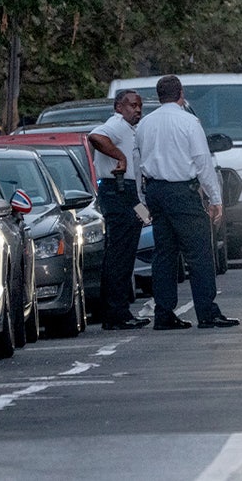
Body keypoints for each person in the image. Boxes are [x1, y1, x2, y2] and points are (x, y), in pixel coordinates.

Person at [135, 75, 239, 330]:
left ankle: (164, 312)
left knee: (164, 255)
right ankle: (206, 311)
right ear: (180, 94)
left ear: (159, 96)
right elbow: (202, 162)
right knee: (199, 253)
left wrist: (142, 198)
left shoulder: (145, 124)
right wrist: (215, 199)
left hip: (156, 191)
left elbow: (138, 161)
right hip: (183, 191)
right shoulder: (189, 121)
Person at [88, 90, 150, 330]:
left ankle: (119, 311)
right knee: (119, 255)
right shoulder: (115, 124)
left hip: (129, 192)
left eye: (139, 106)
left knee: (126, 254)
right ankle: (116, 314)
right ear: (118, 107)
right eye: (132, 105)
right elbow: (96, 137)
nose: (137, 110)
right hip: (117, 190)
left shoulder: (129, 129)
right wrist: (119, 156)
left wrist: (145, 215)